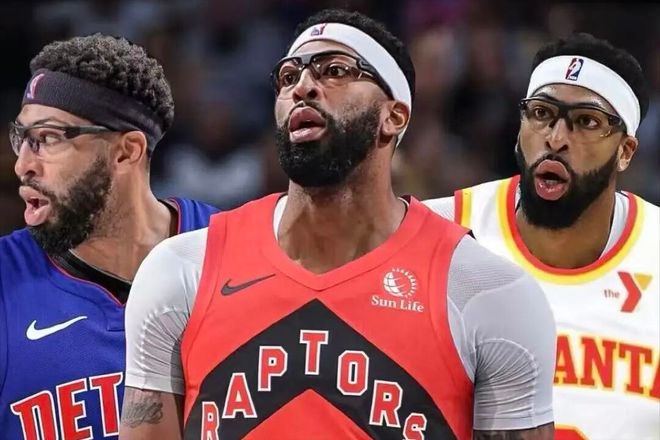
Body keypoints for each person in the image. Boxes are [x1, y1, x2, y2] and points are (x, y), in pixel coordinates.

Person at [120, 9, 555, 440]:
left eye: (335, 71)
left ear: (394, 117)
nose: (303, 87)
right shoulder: (181, 271)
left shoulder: (487, 291)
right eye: (288, 76)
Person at [425, 33, 659, 440]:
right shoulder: (436, 229)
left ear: (625, 151)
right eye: (541, 113)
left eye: (586, 121)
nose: (556, 138)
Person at [0, 34, 218, 439]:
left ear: (126, 151)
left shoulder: (235, 252)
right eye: (22, 139)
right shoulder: (5, 282)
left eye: (47, 139)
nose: (23, 165)